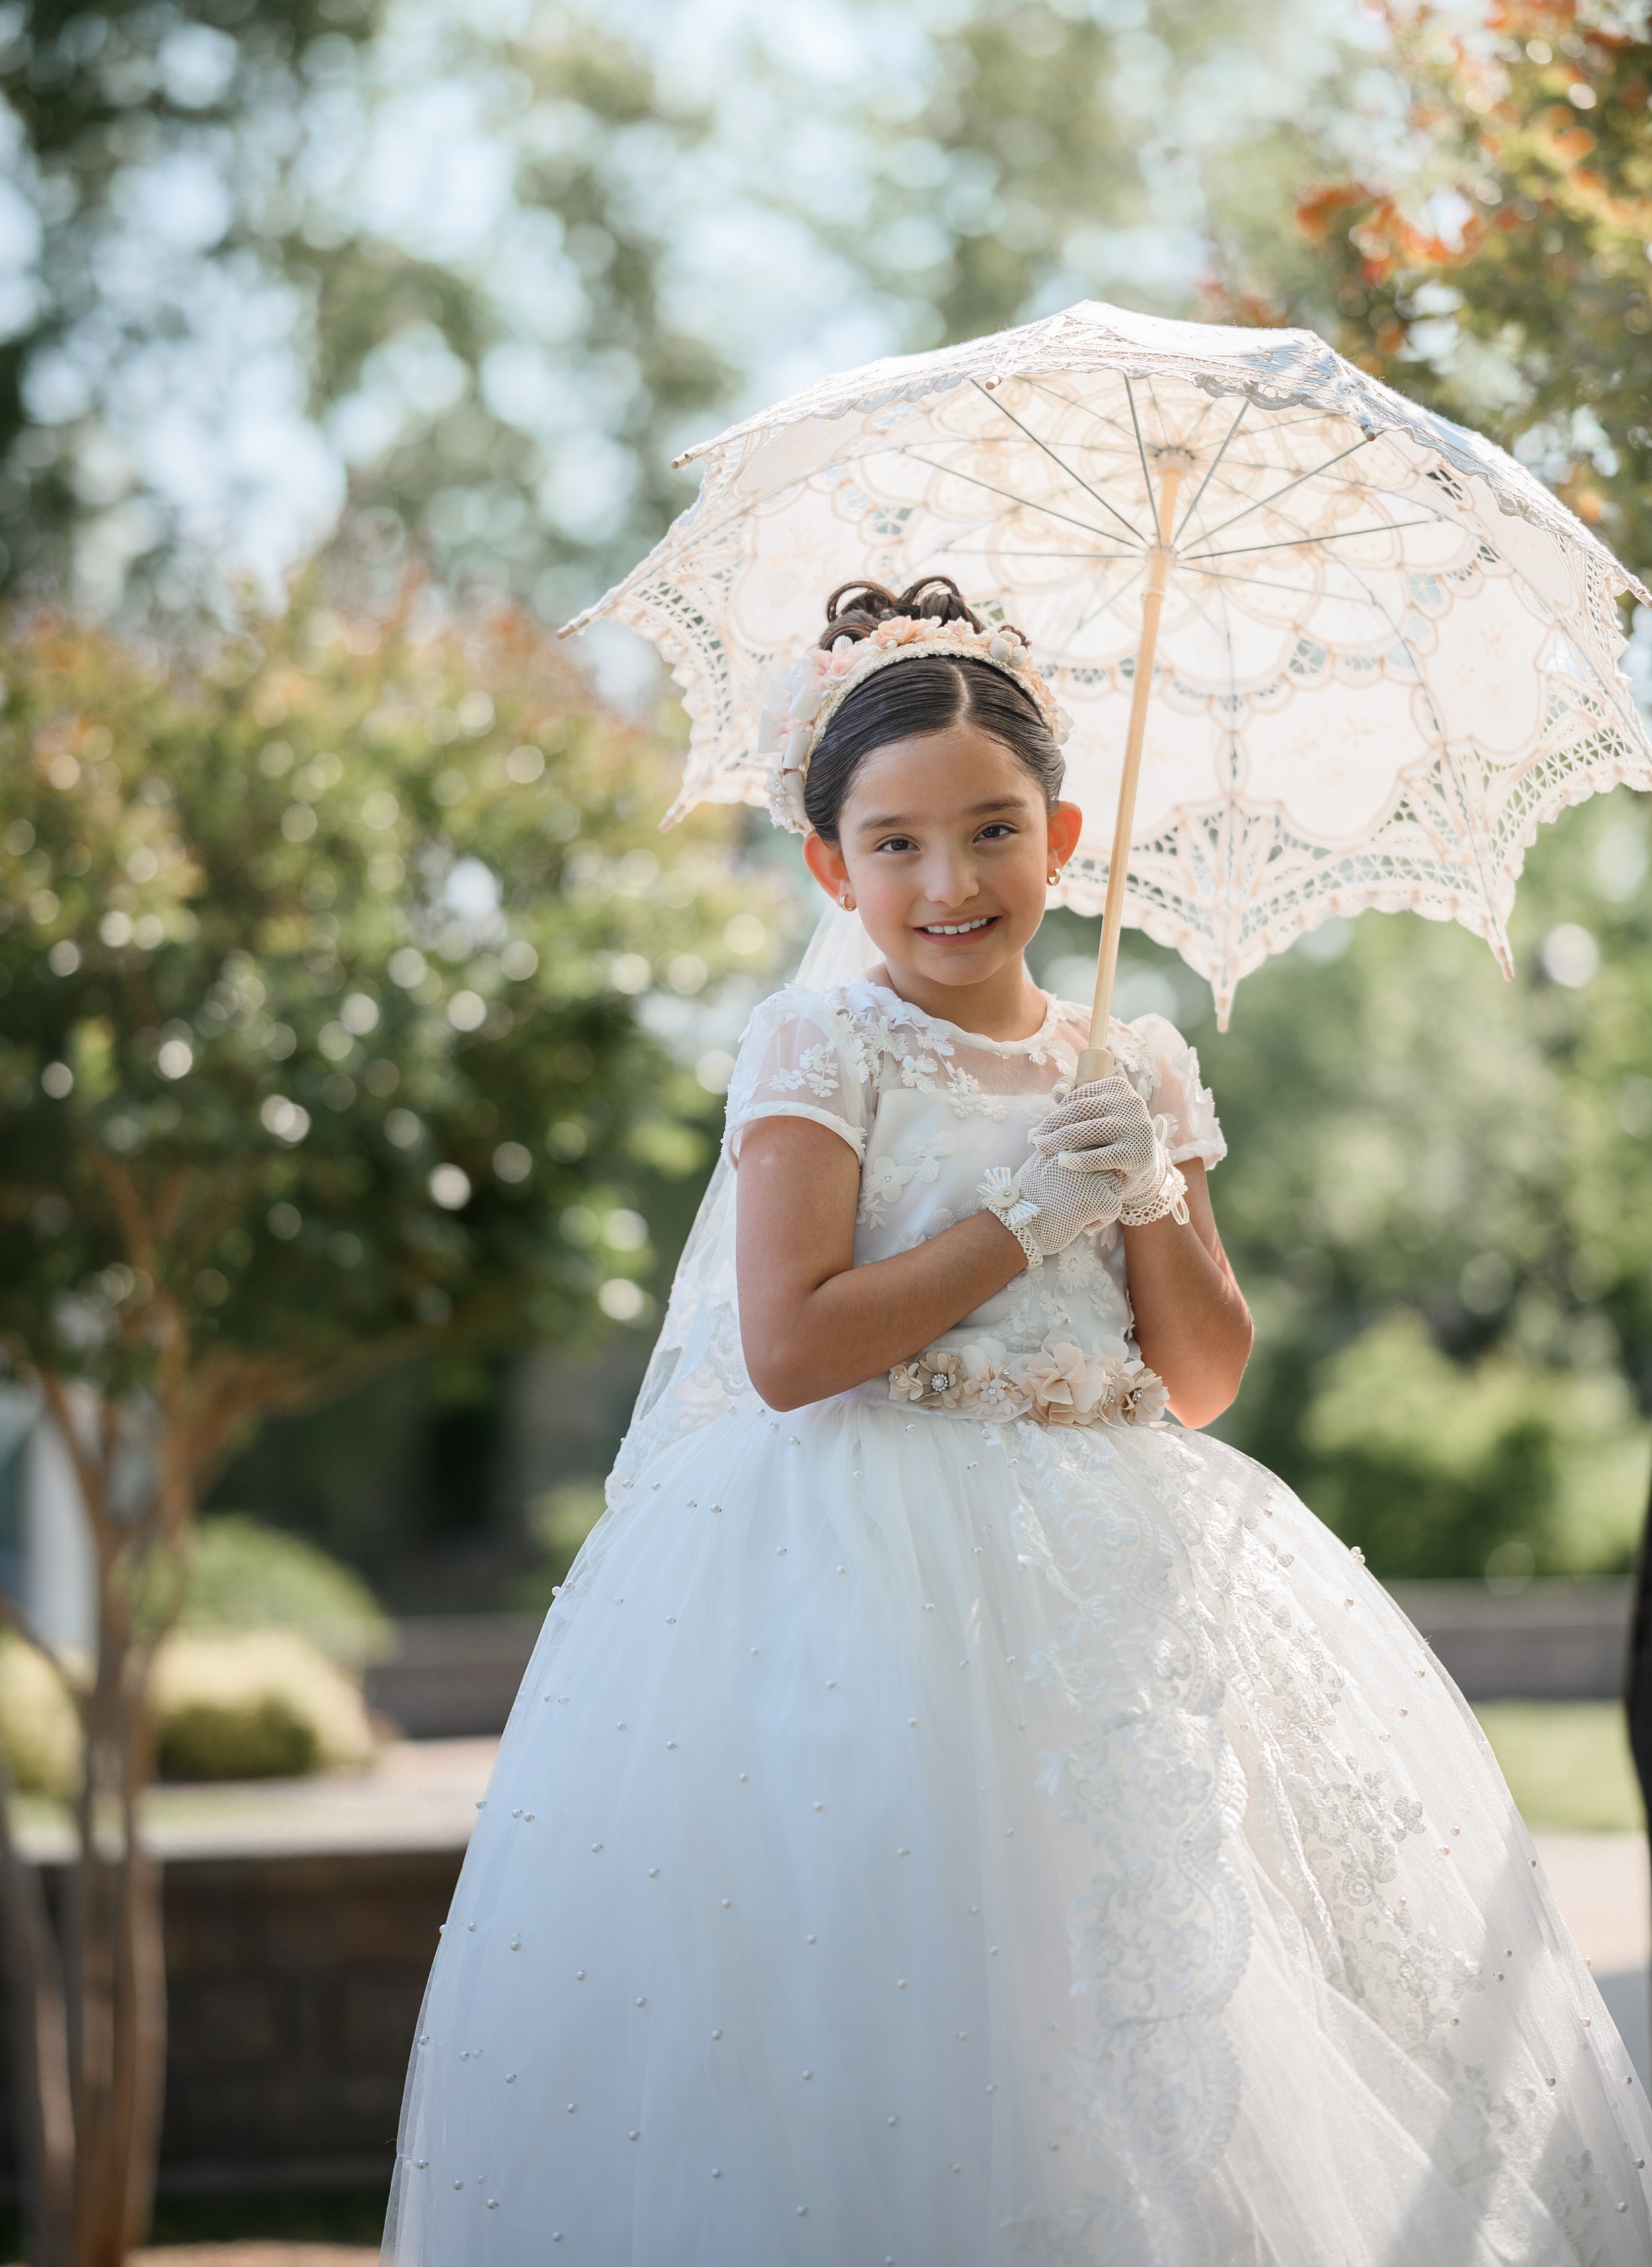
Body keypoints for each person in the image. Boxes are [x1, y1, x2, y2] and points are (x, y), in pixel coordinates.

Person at [383, 576, 1652, 2266]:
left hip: (1113, 1581)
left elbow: (1200, 1376)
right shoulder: (820, 1044)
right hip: (864, 1580)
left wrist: (1135, 1183)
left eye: (991, 830)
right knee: (907, 1981)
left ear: (1060, 834)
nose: (949, 881)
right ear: (830, 866)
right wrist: (1009, 1222)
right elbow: (788, 1348)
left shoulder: (1128, 1056)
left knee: (1131, 1990)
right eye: (894, 844)